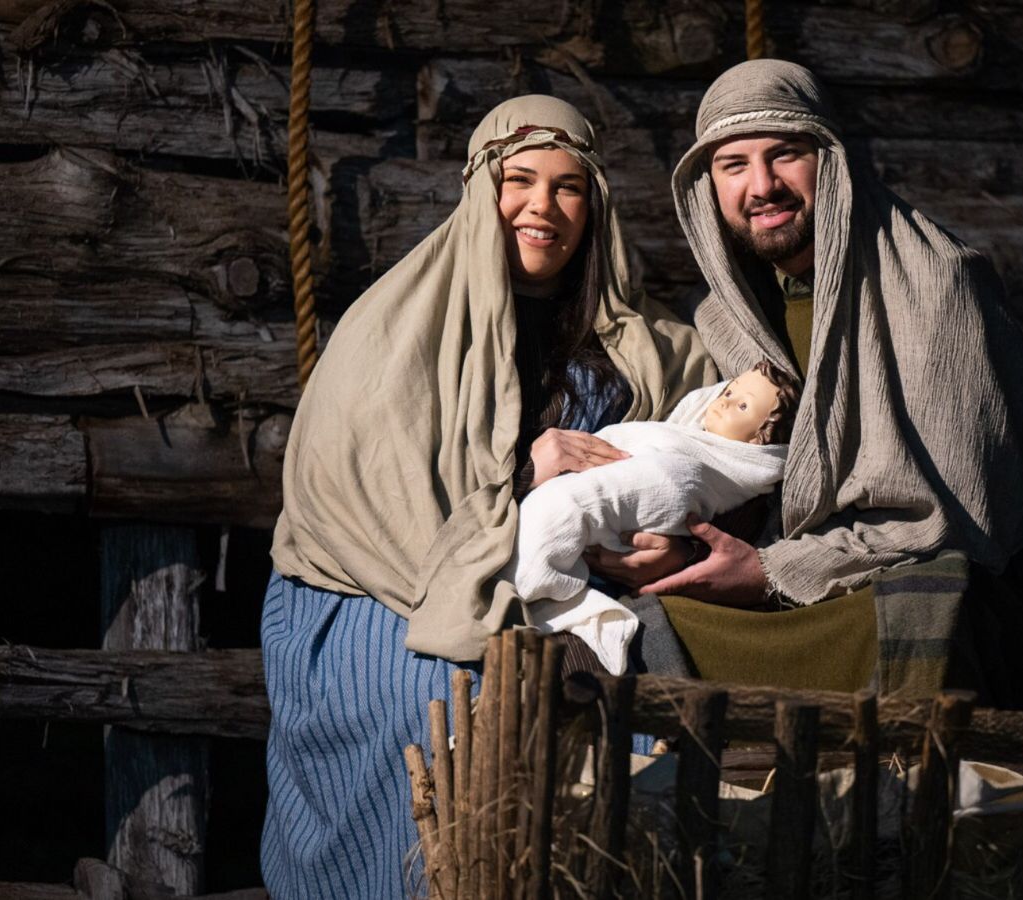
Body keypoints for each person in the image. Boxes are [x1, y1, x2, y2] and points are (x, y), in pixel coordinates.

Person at [261, 95, 714, 898]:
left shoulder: (645, 344)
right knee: (444, 701)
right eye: (521, 180)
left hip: (576, 584)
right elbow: (375, 507)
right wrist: (524, 480)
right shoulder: (397, 327)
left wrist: (672, 539)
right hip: (381, 585)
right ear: (481, 190)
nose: (544, 207)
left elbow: (699, 460)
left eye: (570, 187)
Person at [594, 60, 1023, 703]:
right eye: (733, 165)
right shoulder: (722, 319)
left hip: (946, 592)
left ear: (831, 158)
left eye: (786, 154)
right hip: (803, 587)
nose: (762, 186)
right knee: (642, 629)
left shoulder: (937, 285)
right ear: (706, 185)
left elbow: (963, 523)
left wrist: (773, 571)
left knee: (930, 608)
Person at [515, 361, 799, 674]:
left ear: (757, 441)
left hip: (613, 562)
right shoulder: (680, 426)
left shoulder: (725, 476)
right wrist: (525, 472)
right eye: (729, 391)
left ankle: (533, 576)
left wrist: (690, 551)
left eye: (742, 405)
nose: (725, 400)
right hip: (517, 515)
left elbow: (674, 489)